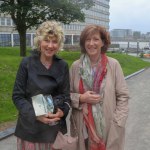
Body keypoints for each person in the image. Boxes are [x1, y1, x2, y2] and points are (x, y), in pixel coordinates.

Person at [12, 20, 71, 150]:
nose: (50, 46)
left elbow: (66, 96)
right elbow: (17, 96)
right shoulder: (27, 63)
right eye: (46, 40)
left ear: (59, 44)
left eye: (54, 41)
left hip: (53, 129)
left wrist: (62, 112)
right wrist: (36, 115)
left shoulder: (63, 66)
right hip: (30, 129)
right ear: (39, 41)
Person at [70, 24, 129, 150]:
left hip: (108, 126)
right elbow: (66, 95)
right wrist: (81, 98)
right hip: (82, 127)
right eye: (87, 39)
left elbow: (123, 96)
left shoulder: (113, 65)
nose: (91, 43)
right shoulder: (76, 66)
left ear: (103, 42)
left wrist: (118, 122)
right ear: (83, 43)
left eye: (96, 39)